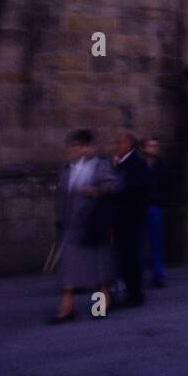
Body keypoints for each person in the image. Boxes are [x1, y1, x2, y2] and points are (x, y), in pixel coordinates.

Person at [52, 129, 118, 323]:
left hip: (93, 225)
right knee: (67, 269)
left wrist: (97, 190)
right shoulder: (66, 169)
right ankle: (66, 308)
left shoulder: (100, 166)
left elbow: (116, 185)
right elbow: (61, 197)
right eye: (72, 146)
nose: (75, 149)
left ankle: (100, 306)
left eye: (79, 145)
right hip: (70, 227)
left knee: (98, 269)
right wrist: (59, 218)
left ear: (88, 147)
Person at [112, 132, 149, 307]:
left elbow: (131, 187)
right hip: (122, 217)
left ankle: (135, 294)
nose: (116, 147)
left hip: (130, 217)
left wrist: (115, 174)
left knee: (131, 256)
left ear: (128, 145)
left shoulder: (135, 163)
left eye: (119, 143)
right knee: (125, 256)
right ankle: (130, 291)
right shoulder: (123, 163)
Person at [141, 137, 169, 289]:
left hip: (154, 205)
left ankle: (158, 275)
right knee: (140, 242)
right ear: (144, 148)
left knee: (156, 242)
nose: (153, 148)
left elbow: (166, 184)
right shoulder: (139, 164)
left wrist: (161, 199)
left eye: (155, 146)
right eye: (150, 146)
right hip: (140, 207)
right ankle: (140, 275)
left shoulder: (160, 165)